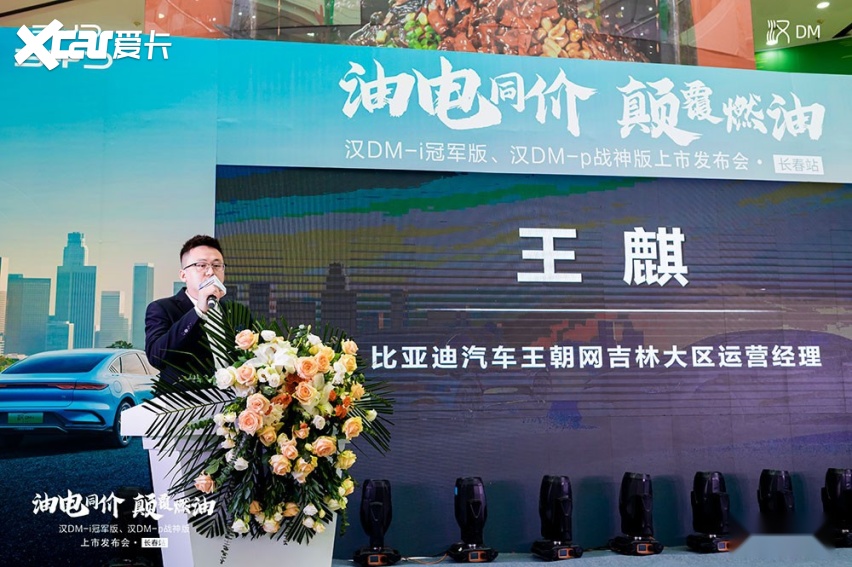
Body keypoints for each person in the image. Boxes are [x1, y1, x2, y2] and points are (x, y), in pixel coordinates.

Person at [145, 234, 228, 386]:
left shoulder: (234, 311)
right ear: (183, 275)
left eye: (217, 265)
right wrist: (198, 311)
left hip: (235, 399)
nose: (211, 272)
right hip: (183, 399)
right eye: (201, 265)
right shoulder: (162, 308)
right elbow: (156, 357)